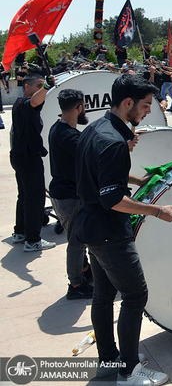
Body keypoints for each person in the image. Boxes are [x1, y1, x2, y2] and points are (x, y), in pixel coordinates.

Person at [74, 74, 172, 385]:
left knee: (104, 294)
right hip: (109, 231)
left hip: (90, 227)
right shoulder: (113, 142)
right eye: (146, 105)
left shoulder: (95, 128)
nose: (149, 111)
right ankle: (130, 370)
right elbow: (112, 199)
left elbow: (101, 179)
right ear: (128, 103)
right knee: (135, 295)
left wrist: (137, 180)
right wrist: (157, 211)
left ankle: (109, 359)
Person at [48, 89, 93, 299]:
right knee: (77, 242)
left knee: (76, 237)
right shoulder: (70, 136)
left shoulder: (57, 128)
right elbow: (92, 157)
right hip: (69, 196)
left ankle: (84, 270)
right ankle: (76, 285)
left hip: (60, 193)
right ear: (79, 107)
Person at [10, 73, 53, 252]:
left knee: (25, 196)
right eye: (38, 86)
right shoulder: (24, 104)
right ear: (27, 87)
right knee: (35, 198)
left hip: (20, 157)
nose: (41, 89)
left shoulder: (24, 106)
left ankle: (20, 232)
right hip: (28, 158)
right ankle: (33, 240)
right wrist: (47, 85)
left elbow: (37, 102)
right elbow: (35, 102)